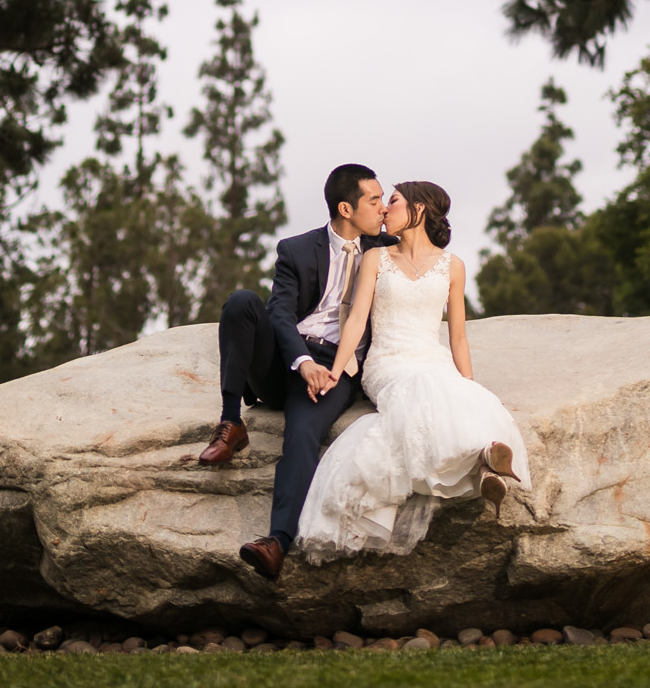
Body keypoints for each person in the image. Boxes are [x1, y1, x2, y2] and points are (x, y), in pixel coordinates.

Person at [293, 179, 530, 563]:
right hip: (388, 363)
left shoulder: (453, 267)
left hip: (429, 355)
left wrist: (470, 387)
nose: (385, 210)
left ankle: (485, 463)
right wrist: (335, 370)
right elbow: (354, 321)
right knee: (423, 387)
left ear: (418, 210)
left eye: (394, 202)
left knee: (451, 389)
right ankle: (479, 460)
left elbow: (457, 339)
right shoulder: (376, 258)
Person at [198, 163, 397, 581]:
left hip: (335, 366)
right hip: (287, 361)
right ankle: (231, 421)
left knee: (303, 434)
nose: (382, 207)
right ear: (346, 208)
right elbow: (280, 314)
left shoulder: (387, 249)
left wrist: (326, 369)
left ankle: (276, 541)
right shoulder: (297, 249)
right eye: (374, 200)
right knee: (240, 302)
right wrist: (302, 362)